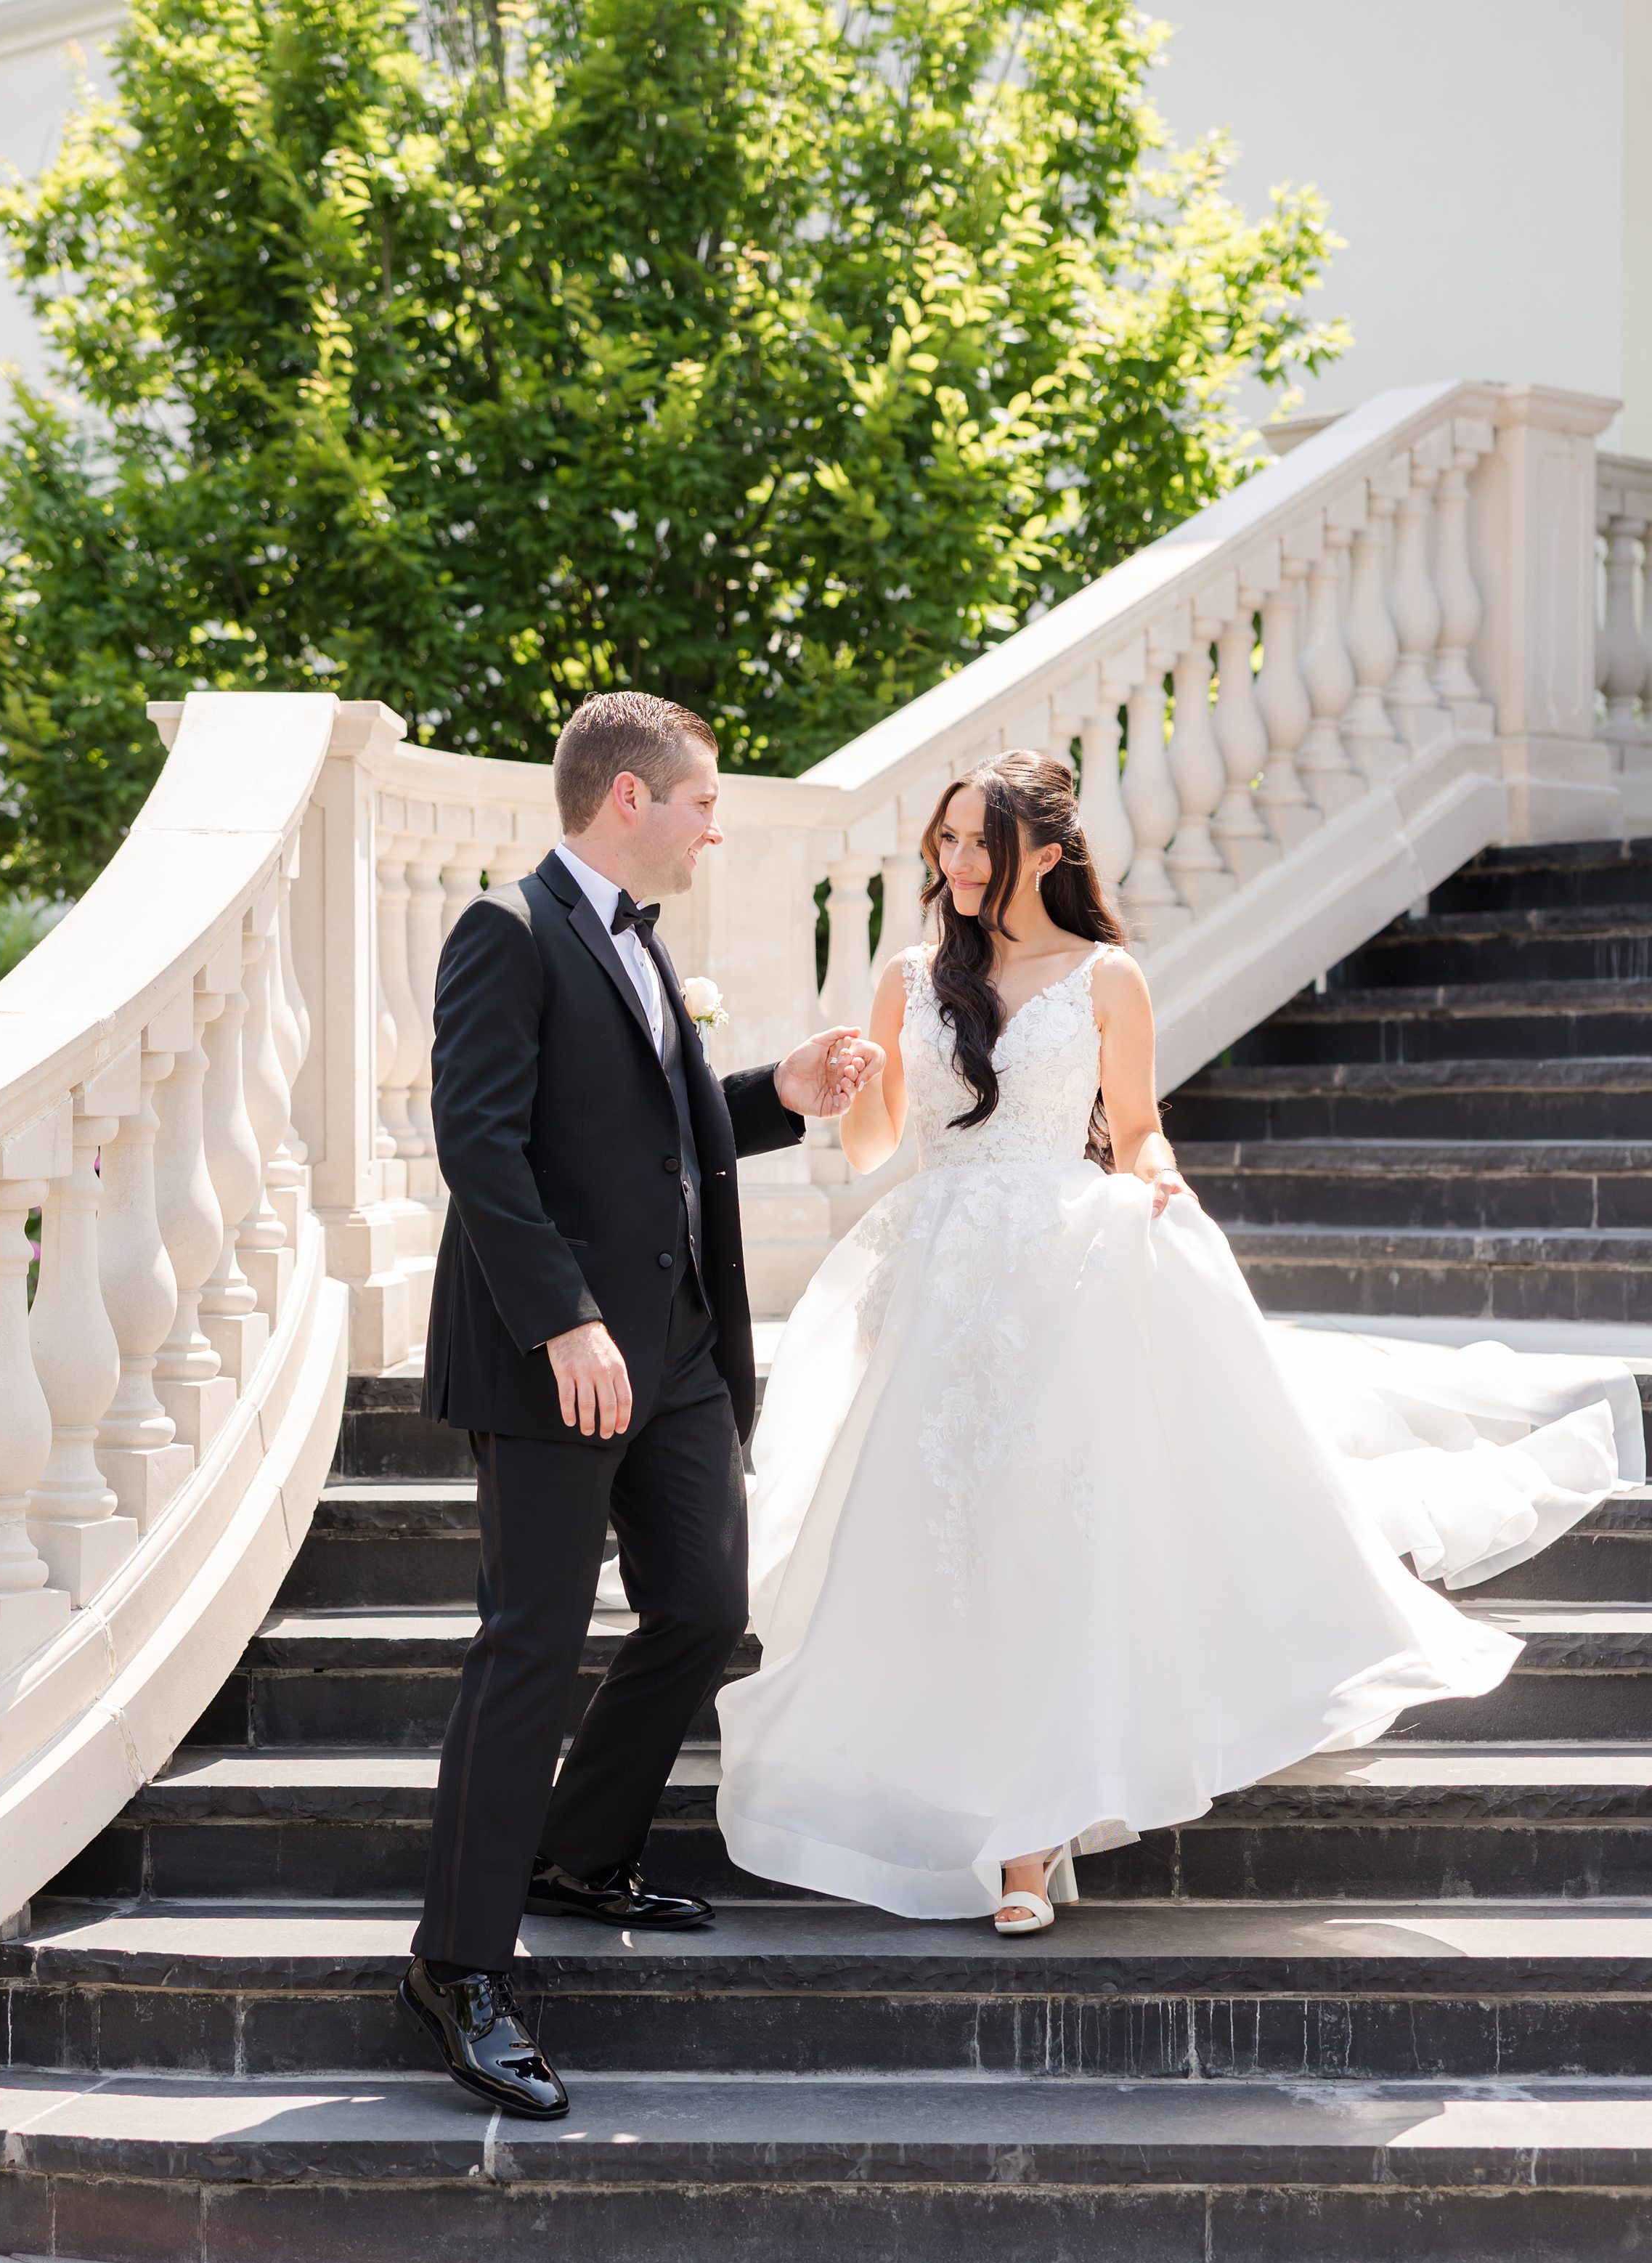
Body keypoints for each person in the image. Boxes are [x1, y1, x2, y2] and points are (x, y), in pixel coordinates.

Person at [715, 749, 1639, 1930]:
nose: (952, 866)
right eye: (942, 842)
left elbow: (1140, 1130)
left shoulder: (1108, 978)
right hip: (937, 1289)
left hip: (1061, 1278)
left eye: (977, 846)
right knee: (939, 1543)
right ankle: (947, 1792)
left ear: (1045, 856)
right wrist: (851, 1084)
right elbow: (874, 1150)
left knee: (1045, 1543)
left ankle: (1026, 1843)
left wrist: (1159, 1189)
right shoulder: (908, 977)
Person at [403, 691, 881, 2114]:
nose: (715, 827)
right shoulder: (506, 931)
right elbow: (479, 1144)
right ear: (628, 799)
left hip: (673, 1359)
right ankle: (460, 1964)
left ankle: (580, 1845)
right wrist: (562, 1321)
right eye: (704, 804)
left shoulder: (646, 948)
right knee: (530, 1646)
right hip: (558, 1358)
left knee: (701, 1605)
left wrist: (777, 1094)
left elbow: (655, 1140)